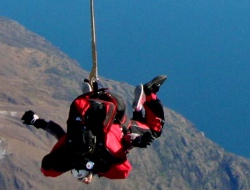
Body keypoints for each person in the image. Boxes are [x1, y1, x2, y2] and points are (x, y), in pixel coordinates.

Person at [22, 76, 166, 182]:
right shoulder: (71, 147)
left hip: (117, 115)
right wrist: (37, 121)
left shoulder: (105, 159)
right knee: (130, 126)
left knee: (154, 130)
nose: (86, 180)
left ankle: (148, 94)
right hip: (97, 107)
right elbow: (57, 131)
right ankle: (90, 95)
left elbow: (127, 143)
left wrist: (138, 140)